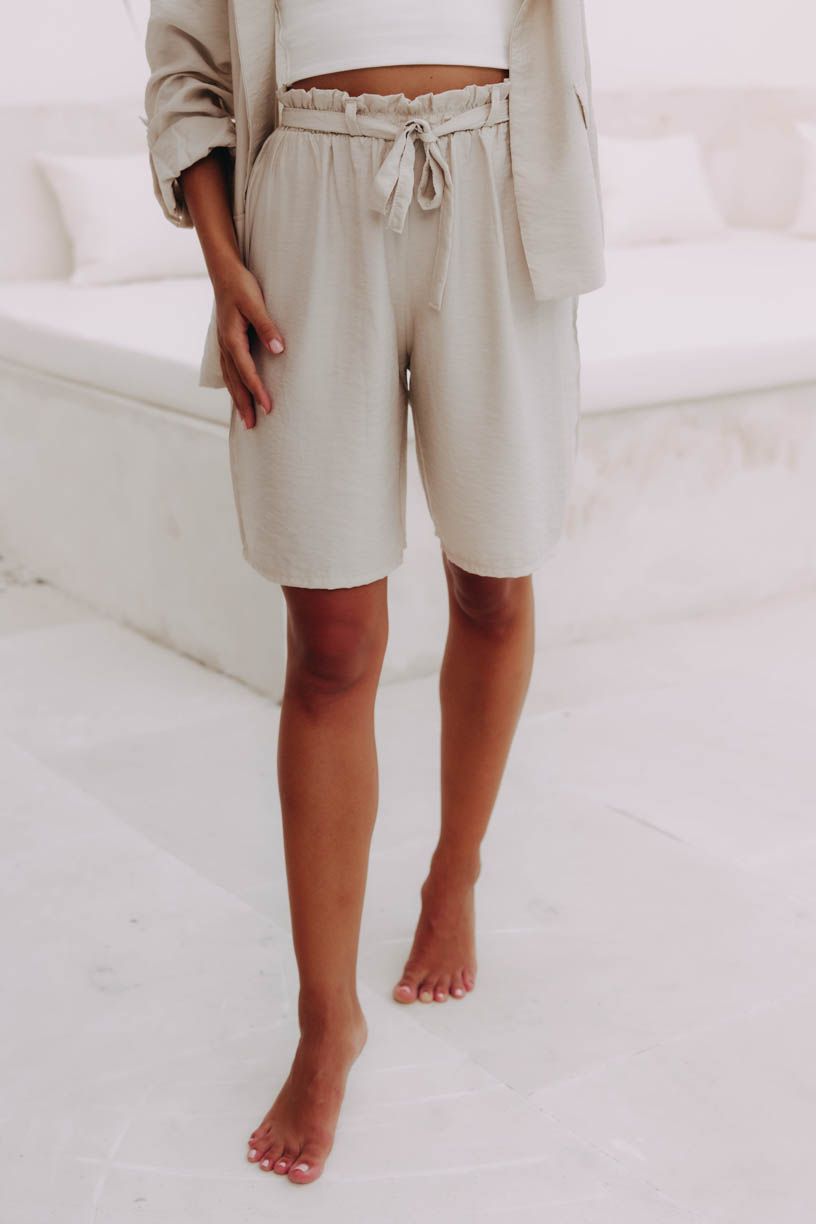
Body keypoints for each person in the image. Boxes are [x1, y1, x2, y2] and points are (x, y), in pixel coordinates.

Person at [144, 0, 605, 1188]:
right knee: (332, 644)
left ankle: (456, 869)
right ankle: (324, 1020)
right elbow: (187, 71)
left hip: (501, 180)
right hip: (305, 199)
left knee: (494, 583)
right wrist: (224, 264)